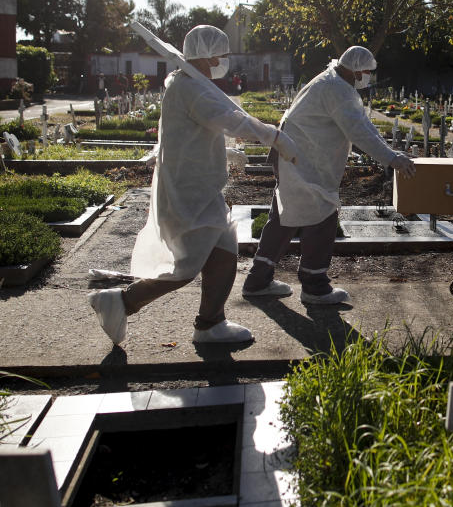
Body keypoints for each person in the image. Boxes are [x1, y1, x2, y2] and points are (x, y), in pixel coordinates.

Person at [88, 25, 300, 345]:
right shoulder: (192, 88)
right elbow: (228, 120)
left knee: (224, 253)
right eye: (223, 56)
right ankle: (121, 301)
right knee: (186, 267)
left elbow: (188, 137)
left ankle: (210, 323)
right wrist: (275, 137)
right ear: (209, 56)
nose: (225, 61)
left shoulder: (186, 82)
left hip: (197, 190)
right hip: (190, 194)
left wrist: (225, 152)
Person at [241, 46, 416, 304]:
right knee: (322, 215)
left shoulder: (332, 81)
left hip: (293, 156)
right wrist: (391, 158)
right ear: (356, 70)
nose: (368, 76)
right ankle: (315, 286)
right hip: (302, 162)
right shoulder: (337, 90)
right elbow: (359, 131)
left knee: (283, 217)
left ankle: (258, 280)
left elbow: (364, 125)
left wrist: (390, 151)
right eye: (367, 72)